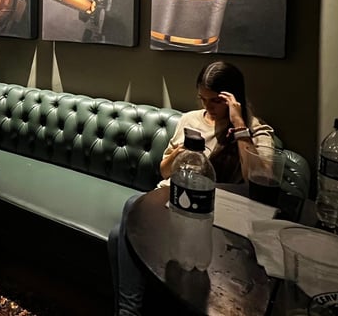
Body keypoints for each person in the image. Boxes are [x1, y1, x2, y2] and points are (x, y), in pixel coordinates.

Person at [107, 61, 274, 316]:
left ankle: (129, 310)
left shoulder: (256, 131)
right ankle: (129, 310)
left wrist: (239, 125)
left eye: (215, 101)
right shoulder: (189, 120)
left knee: (119, 233)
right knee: (120, 227)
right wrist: (181, 153)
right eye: (202, 99)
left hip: (208, 216)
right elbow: (165, 172)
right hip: (169, 201)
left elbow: (256, 180)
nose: (208, 107)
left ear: (233, 99)